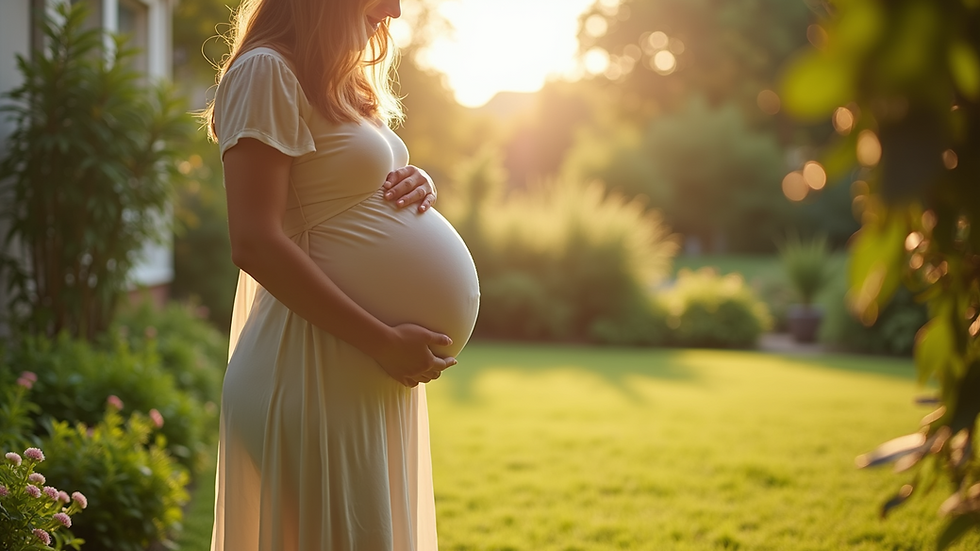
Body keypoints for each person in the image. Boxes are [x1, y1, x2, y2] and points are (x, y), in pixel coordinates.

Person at [204, 0, 480, 548]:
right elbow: (254, 241)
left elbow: (345, 187)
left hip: (365, 366)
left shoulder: (336, 83)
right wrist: (382, 341)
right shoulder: (266, 70)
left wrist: (415, 179)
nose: (396, 10)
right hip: (311, 363)